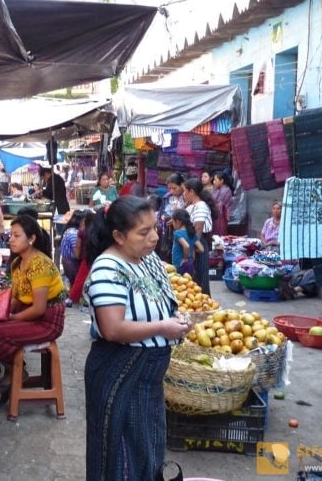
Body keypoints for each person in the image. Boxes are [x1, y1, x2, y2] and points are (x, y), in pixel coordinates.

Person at [83, 196, 190, 480]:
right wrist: (162, 328)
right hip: (120, 369)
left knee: (147, 450)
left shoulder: (148, 259)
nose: (154, 237)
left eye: (155, 228)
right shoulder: (108, 268)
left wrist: (175, 319)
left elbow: (159, 301)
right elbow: (113, 329)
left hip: (147, 375)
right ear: (118, 236)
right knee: (122, 453)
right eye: (143, 232)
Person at [0, 215, 65, 395]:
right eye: (11, 235)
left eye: (17, 235)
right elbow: (18, 297)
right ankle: (15, 369)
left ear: (32, 239)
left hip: (48, 320)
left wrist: (11, 318)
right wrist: (0, 312)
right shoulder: (18, 263)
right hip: (31, 312)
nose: (10, 239)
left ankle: (18, 370)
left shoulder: (39, 264)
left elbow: (39, 309)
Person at [182, 177, 217, 295]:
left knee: (200, 278)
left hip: (198, 242)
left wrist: (193, 249)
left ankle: (205, 308)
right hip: (191, 242)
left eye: (184, 191)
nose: (183, 194)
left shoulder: (201, 206)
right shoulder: (190, 206)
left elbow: (198, 229)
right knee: (192, 279)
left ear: (191, 192)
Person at [171, 209, 201, 277]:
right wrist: (192, 250)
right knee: (189, 284)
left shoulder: (177, 233)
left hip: (180, 264)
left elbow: (186, 246)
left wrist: (185, 259)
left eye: (173, 221)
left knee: (180, 284)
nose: (172, 224)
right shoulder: (192, 233)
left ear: (178, 221)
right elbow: (201, 249)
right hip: (190, 264)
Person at [60, 210, 86, 285]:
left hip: (67, 262)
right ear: (81, 222)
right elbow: (77, 255)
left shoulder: (69, 230)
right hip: (71, 264)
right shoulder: (74, 234)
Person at [210, 171, 233, 237]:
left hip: (221, 217)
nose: (214, 182)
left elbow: (219, 204)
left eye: (215, 180)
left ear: (222, 180)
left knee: (220, 234)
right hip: (215, 215)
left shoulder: (226, 190)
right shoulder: (217, 189)